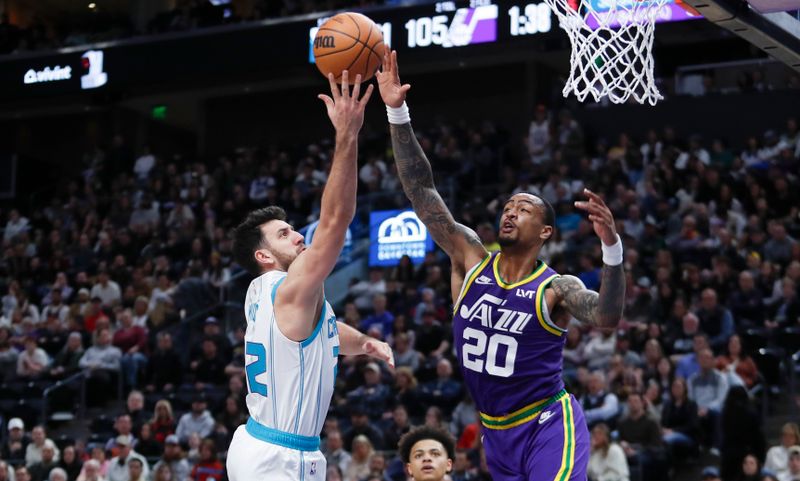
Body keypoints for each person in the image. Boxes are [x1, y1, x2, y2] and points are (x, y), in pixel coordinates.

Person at [377, 49, 625, 481]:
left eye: (524, 209)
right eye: (508, 206)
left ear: (545, 231)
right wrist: (397, 110)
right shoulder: (470, 257)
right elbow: (421, 191)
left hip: (549, 423)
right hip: (496, 434)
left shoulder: (557, 288)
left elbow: (606, 315)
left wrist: (612, 250)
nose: (510, 212)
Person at [226, 72, 393, 481]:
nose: (299, 234)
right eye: (284, 234)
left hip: (259, 444)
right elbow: (336, 220)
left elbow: (327, 331)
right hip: (280, 458)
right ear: (264, 254)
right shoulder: (293, 287)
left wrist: (366, 343)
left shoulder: (266, 293)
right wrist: (347, 134)